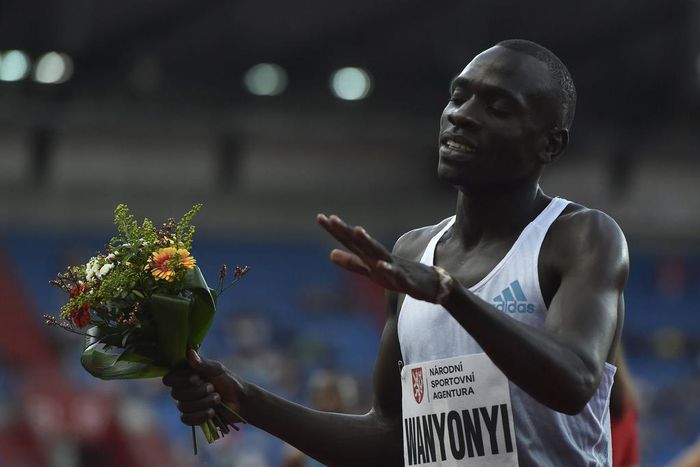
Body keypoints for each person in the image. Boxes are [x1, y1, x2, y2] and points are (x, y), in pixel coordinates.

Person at [163, 39, 629, 466]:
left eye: (498, 106)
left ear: (550, 143)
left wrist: (451, 294)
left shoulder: (581, 237)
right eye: (457, 95)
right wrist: (244, 399)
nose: (461, 115)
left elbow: (573, 382)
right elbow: (390, 437)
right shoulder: (414, 251)